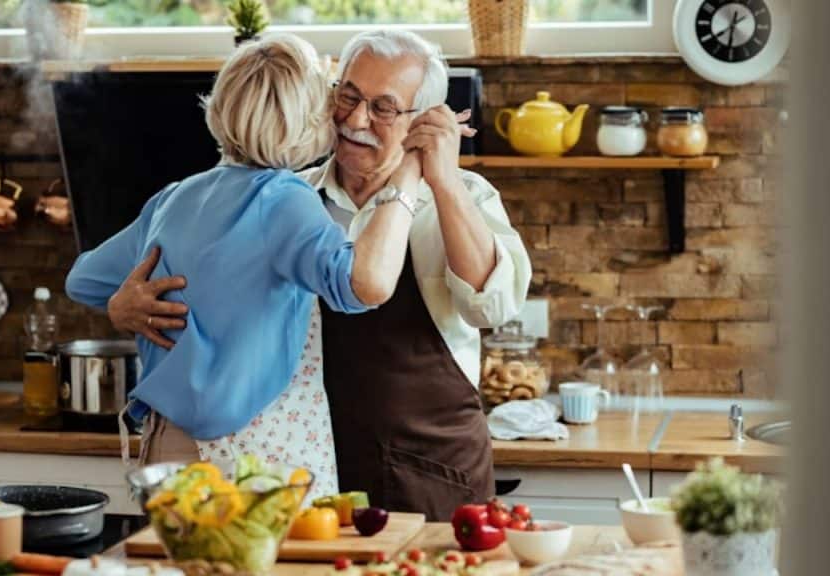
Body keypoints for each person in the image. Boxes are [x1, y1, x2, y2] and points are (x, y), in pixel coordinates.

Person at [106, 30, 532, 521]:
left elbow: (492, 306)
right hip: (302, 469)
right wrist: (122, 306)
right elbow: (194, 286)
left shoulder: (462, 194)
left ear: (420, 120)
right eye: (348, 95)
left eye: (384, 108)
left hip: (428, 473)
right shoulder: (284, 196)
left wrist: (442, 178)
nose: (356, 119)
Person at [64, 33, 423, 500]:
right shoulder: (285, 200)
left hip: (165, 449)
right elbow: (364, 286)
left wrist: (122, 305)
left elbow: (82, 280)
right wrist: (409, 171)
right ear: (307, 120)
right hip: (254, 461)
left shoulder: (174, 198)